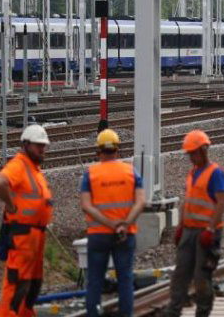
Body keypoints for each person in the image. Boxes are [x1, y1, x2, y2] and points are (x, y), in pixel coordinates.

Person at [80, 129, 145, 317]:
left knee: (95, 281)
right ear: (117, 149)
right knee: (125, 279)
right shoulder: (131, 172)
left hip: (98, 235)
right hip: (125, 234)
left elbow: (86, 205)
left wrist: (109, 224)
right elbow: (141, 202)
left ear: (98, 150)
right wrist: (123, 225)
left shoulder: (91, 174)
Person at [164, 130, 224, 317]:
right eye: (189, 153)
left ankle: (203, 312)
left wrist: (210, 229)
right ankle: (173, 311)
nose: (191, 157)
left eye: (193, 153)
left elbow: (221, 203)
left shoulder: (216, 173)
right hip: (189, 230)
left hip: (206, 233)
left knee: (201, 277)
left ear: (204, 150)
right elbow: (188, 200)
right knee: (180, 274)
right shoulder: (192, 173)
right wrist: (180, 227)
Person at [0, 124, 53, 317]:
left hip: (35, 236)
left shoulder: (34, 169)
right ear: (26, 145)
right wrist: (10, 206)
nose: (42, 149)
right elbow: (0, 182)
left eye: (44, 146)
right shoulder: (19, 165)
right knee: (17, 283)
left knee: (32, 285)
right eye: (38, 145)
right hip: (23, 236)